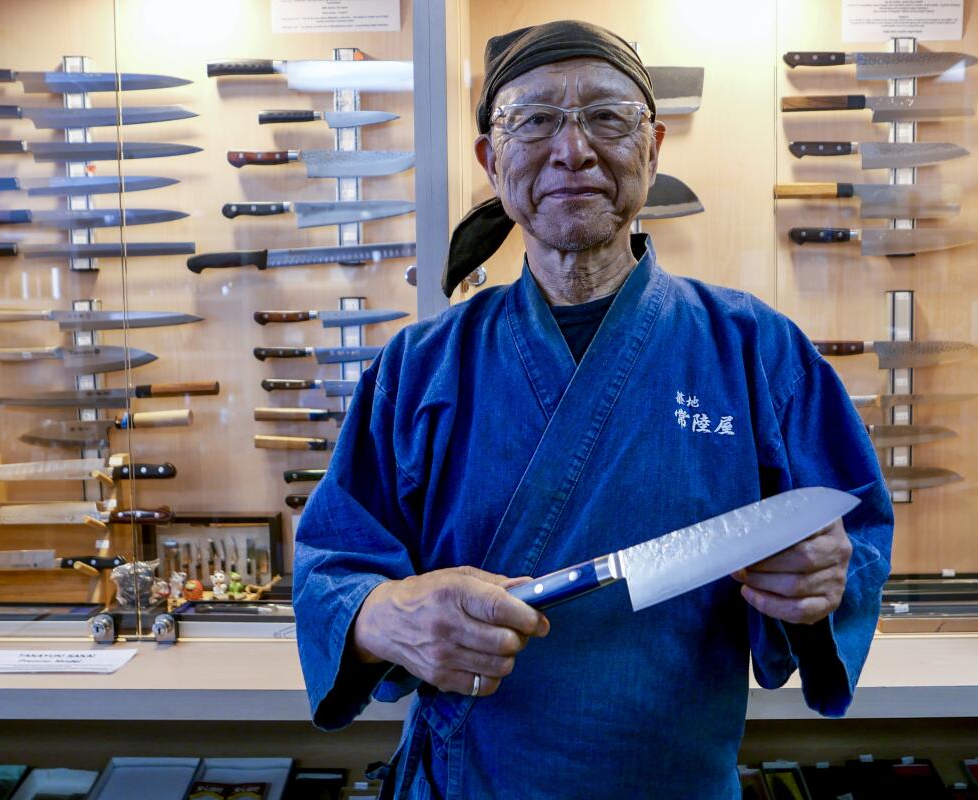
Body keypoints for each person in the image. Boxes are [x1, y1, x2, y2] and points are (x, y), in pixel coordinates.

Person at [294, 19, 894, 799]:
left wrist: (822, 582)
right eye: (534, 120)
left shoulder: (756, 350)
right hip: (472, 784)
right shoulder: (419, 367)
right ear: (490, 158)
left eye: (607, 118)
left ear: (653, 147)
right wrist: (383, 616)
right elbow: (330, 570)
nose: (572, 149)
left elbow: (854, 541)